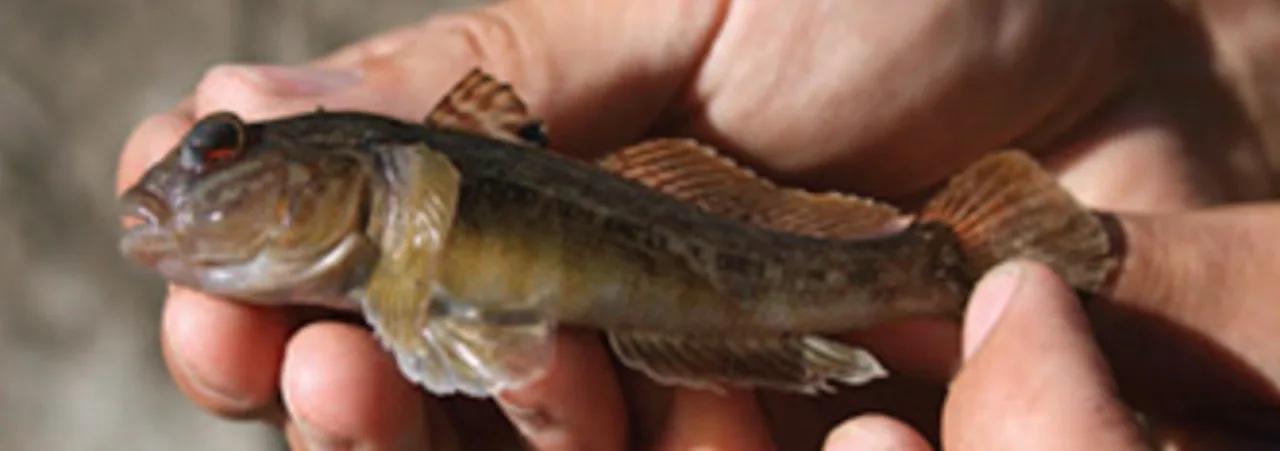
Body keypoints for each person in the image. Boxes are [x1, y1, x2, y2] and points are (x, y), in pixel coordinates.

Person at [115, 1, 1280, 449]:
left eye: (219, 156)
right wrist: (1183, 54)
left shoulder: (395, 174)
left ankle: (949, 269)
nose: (177, 193)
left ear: (337, 163)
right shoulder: (383, 197)